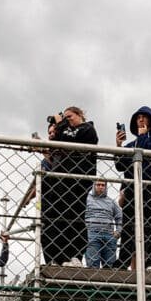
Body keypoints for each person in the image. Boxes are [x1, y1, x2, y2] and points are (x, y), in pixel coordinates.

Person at [39, 107, 98, 267]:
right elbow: (58, 149)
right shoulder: (64, 131)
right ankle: (59, 257)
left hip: (79, 179)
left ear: (80, 115)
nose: (67, 120)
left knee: (75, 216)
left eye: (69, 116)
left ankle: (75, 255)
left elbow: (70, 140)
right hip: (61, 181)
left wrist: (61, 123)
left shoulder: (87, 129)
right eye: (64, 117)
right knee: (58, 220)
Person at [114, 106, 151, 270]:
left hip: (150, 185)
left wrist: (143, 137)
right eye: (138, 117)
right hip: (131, 187)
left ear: (150, 120)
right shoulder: (130, 144)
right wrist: (118, 146)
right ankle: (122, 262)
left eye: (144, 117)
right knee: (129, 226)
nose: (141, 119)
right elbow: (120, 166)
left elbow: (148, 153)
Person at [85, 179, 122, 268]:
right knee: (93, 263)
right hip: (92, 232)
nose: (101, 187)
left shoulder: (111, 201)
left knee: (110, 265)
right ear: (93, 186)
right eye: (98, 185)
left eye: (103, 185)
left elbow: (119, 216)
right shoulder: (87, 199)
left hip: (109, 234)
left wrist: (118, 231)